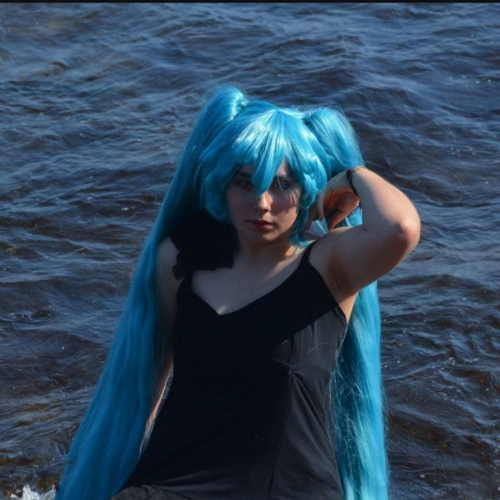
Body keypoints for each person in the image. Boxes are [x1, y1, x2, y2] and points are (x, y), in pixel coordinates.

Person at [54, 86, 420, 500]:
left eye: (281, 184)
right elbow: (149, 386)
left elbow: (400, 228)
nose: (261, 203)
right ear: (222, 185)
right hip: (172, 483)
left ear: (309, 189)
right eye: (244, 183)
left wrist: (352, 176)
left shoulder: (329, 265)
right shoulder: (182, 259)